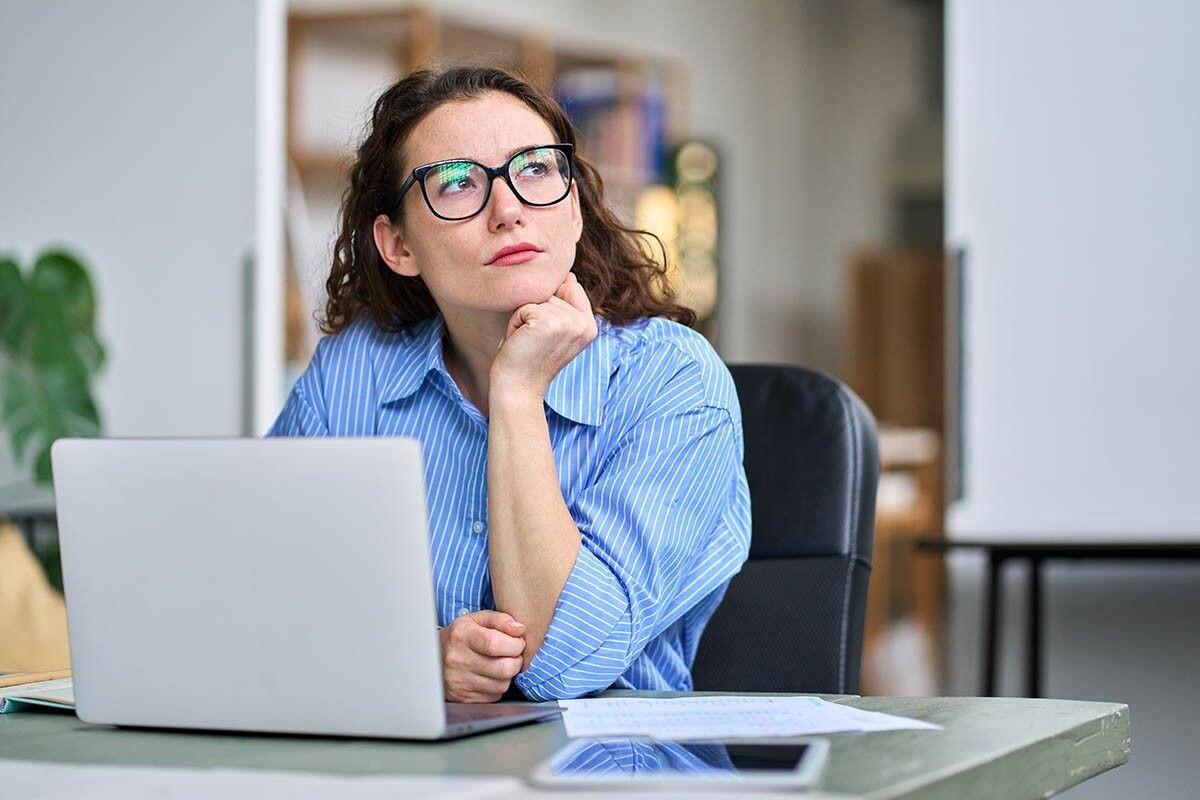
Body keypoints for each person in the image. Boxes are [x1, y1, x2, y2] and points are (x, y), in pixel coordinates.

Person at [268, 66, 750, 703]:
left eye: (535, 170)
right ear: (398, 245)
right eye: (456, 183)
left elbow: (565, 665)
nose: (508, 210)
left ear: (574, 209)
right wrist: (413, 657)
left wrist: (518, 392)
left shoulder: (675, 380)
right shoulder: (350, 375)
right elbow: (264, 603)